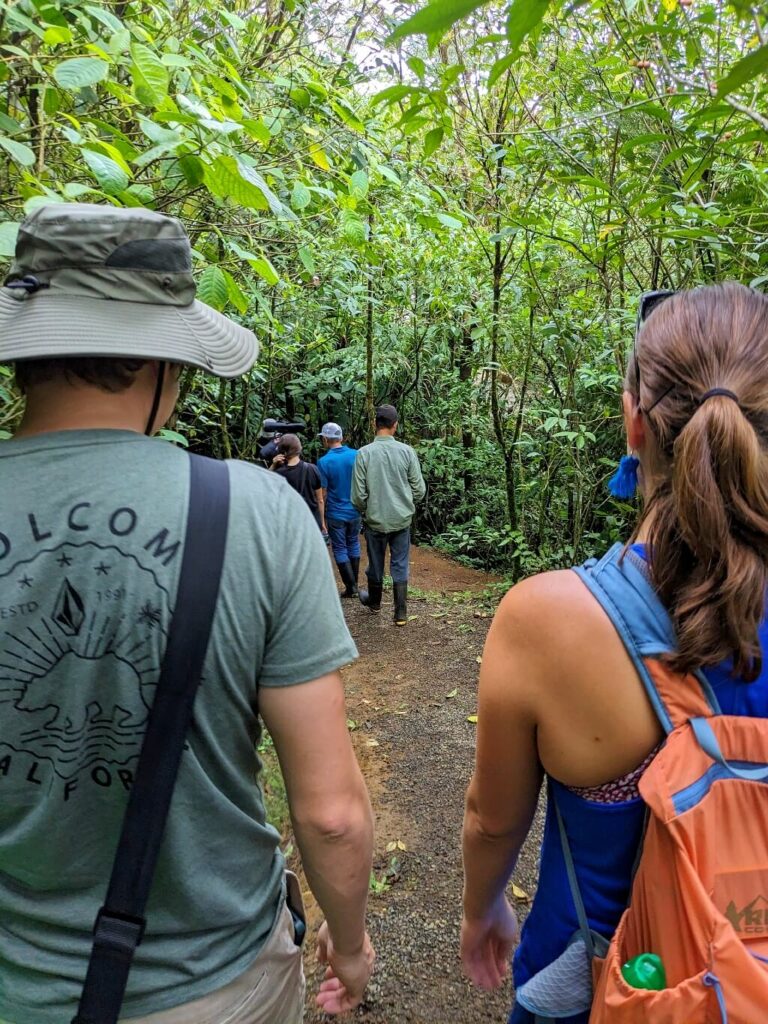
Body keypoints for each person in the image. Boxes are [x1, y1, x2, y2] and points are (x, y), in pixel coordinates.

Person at [0, 203, 375, 1024]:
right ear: (163, 367)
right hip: (215, 987)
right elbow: (331, 811)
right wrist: (350, 946)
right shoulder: (252, 512)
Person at [461, 283, 768, 1023]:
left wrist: (483, 909)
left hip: (601, 981)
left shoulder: (549, 621)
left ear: (633, 421)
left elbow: (493, 820)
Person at [351, 404, 426, 627]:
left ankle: (374, 602)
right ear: (395, 426)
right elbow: (419, 489)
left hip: (375, 520)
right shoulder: (407, 452)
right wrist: (405, 503)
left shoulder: (364, 454)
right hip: (401, 519)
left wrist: (367, 509)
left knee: (375, 563)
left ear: (375, 424)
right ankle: (400, 613)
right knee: (400, 563)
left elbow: (357, 495)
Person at [318, 422, 361, 598]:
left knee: (340, 548)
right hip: (355, 510)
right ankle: (354, 585)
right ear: (341, 437)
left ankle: (351, 587)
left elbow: (322, 494)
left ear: (326, 439)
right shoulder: (356, 455)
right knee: (354, 543)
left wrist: (322, 521)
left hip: (335, 512)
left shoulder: (324, 462)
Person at [269, 433, 325, 534]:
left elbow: (266, 488)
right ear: (300, 449)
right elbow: (320, 500)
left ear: (282, 452)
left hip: (290, 524)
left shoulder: (278, 474)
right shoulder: (313, 469)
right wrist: (322, 522)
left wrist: (273, 466)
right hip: (311, 521)